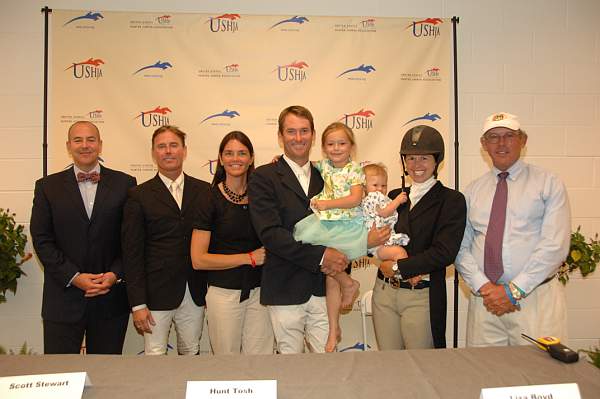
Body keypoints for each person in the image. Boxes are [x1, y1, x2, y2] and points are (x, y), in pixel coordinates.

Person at [248, 106, 389, 354]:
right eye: (291, 132)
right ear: (280, 136)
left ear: (313, 135)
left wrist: (364, 244)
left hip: (324, 288)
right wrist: (322, 256)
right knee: (290, 367)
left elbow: (348, 221)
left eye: (304, 131)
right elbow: (270, 234)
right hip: (285, 288)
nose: (298, 137)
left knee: (328, 366)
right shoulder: (264, 177)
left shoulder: (330, 172)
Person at [455, 112, 571, 347]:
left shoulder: (548, 184)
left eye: (509, 135)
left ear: (523, 140)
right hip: (484, 302)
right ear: (483, 144)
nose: (501, 143)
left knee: (539, 377)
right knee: (484, 374)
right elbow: (459, 246)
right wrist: (483, 286)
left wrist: (514, 291)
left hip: (535, 300)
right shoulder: (473, 191)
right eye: (493, 137)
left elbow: (555, 245)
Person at [30, 120, 136, 354]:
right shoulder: (47, 186)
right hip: (63, 299)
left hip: (110, 299)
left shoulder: (125, 184)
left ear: (100, 145)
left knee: (107, 378)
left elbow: (131, 240)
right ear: (69, 145)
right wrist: (74, 277)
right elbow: (41, 239)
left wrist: (114, 275)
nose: (85, 145)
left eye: (91, 139)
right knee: (58, 377)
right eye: (78, 140)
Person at [373, 125, 466, 349]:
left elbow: (444, 253)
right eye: (411, 158)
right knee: (388, 365)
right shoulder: (394, 196)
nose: (416, 165)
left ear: (436, 161)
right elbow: (379, 235)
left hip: (421, 295)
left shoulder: (451, 200)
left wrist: (400, 267)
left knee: (422, 367)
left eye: (424, 158)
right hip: (384, 292)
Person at [122, 125, 209, 355]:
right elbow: (132, 253)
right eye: (161, 146)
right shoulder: (138, 195)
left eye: (174, 145)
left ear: (184, 150)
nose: (168, 151)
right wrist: (138, 303)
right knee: (155, 356)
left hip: (194, 290)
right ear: (153, 152)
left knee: (192, 352)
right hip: (155, 293)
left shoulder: (203, 190)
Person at [191, 131, 274, 355]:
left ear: (251, 157)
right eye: (229, 153)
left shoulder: (262, 196)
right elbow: (198, 259)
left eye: (241, 153)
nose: (235, 158)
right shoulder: (208, 198)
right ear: (220, 158)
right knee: (226, 365)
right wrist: (248, 258)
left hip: (260, 294)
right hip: (224, 295)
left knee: (261, 363)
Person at [361, 163, 410, 260]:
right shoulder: (373, 198)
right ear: (364, 187)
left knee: (399, 254)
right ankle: (407, 274)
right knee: (400, 253)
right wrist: (397, 201)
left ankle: (402, 273)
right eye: (375, 185)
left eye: (384, 185)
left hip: (380, 242)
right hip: (378, 242)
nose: (380, 188)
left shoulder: (382, 198)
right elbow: (384, 213)